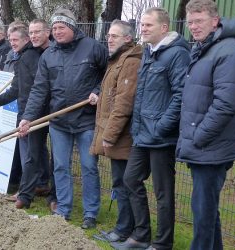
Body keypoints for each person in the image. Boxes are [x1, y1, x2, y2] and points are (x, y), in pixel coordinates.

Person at [19, 8, 107, 229]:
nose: (57, 32)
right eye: (55, 28)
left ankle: (90, 213)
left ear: (72, 27)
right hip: (59, 122)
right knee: (60, 167)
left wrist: (99, 90)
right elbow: (39, 89)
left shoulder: (93, 48)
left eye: (61, 27)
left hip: (86, 120)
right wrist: (27, 117)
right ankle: (63, 209)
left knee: (88, 167)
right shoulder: (49, 55)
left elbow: (108, 76)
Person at [113, 8, 190, 250]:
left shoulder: (177, 54)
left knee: (163, 192)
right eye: (142, 25)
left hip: (161, 137)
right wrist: (139, 127)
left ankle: (162, 243)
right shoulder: (149, 51)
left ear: (164, 28)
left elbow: (180, 95)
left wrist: (162, 126)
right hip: (142, 133)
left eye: (148, 25)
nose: (143, 29)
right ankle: (141, 235)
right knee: (130, 179)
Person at [176, 1, 235, 249]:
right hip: (204, 146)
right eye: (190, 22)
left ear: (215, 21)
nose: (193, 27)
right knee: (206, 210)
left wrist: (198, 136)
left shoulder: (230, 51)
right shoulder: (206, 48)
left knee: (203, 214)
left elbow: (226, 104)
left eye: (199, 21)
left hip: (212, 147)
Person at [0, 25, 48, 209]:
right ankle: (40, 184)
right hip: (32, 111)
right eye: (10, 40)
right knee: (38, 151)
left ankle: (25, 194)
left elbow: (26, 90)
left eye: (15, 39)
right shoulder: (26, 57)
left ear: (26, 40)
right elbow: (17, 89)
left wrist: (28, 115)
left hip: (31, 113)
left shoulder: (28, 58)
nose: (12, 43)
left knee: (29, 154)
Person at [90, 20, 142, 243]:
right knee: (120, 183)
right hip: (116, 135)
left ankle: (124, 231)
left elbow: (123, 103)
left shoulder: (129, 62)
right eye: (109, 35)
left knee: (124, 185)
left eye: (114, 36)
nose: (109, 39)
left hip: (123, 137)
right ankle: (123, 229)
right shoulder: (118, 60)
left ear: (128, 39)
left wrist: (109, 136)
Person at [28, 19, 56, 213]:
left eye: (37, 32)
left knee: (58, 156)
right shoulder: (30, 53)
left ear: (48, 32)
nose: (33, 36)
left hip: (56, 110)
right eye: (31, 32)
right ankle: (33, 187)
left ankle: (54, 194)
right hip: (36, 110)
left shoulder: (55, 52)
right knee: (35, 151)